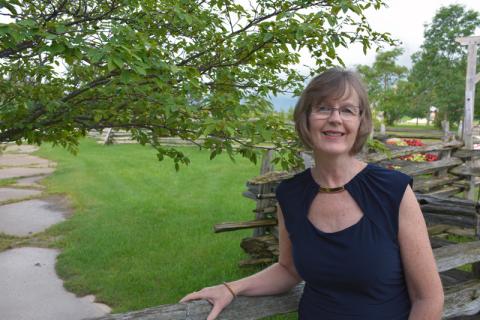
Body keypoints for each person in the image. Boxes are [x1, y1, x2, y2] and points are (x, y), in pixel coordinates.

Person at [180, 68, 444, 319]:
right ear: (305, 118)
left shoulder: (392, 191)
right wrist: (231, 288)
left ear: (360, 122)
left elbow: (428, 298)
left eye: (347, 110)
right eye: (323, 108)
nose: (335, 118)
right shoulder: (290, 195)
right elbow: (288, 269)